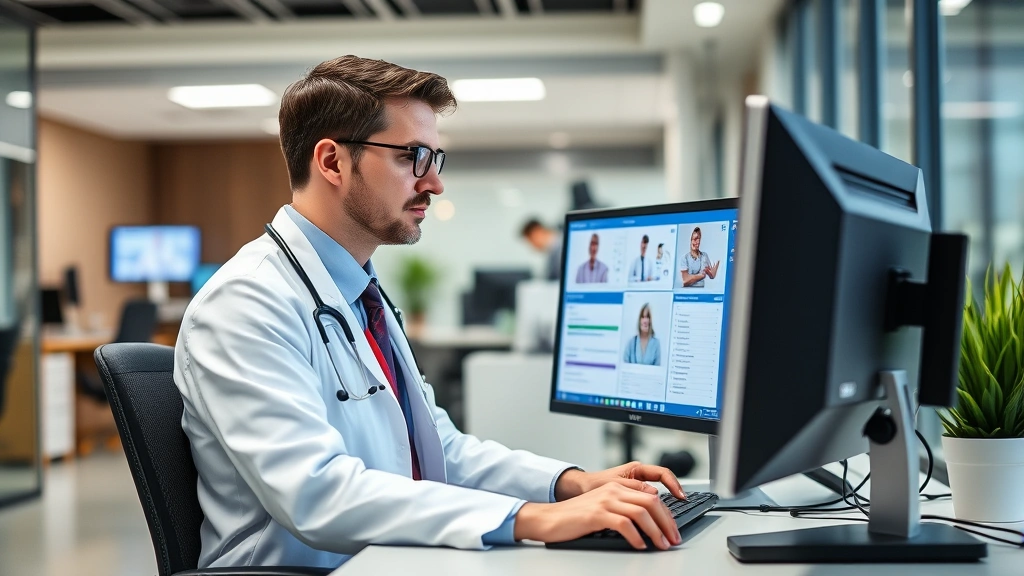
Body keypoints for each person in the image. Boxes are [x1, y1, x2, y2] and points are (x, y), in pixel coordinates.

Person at [174, 56, 685, 571]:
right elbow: (316, 492)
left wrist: (571, 484)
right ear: (331, 162)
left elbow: (437, 448)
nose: (435, 184)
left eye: (436, 159)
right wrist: (534, 517)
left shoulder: (358, 295)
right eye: (413, 157)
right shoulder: (245, 302)